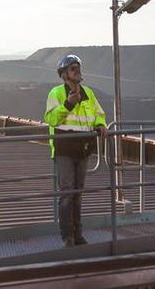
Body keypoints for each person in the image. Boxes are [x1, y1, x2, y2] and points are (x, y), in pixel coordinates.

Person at [43, 53, 107, 247]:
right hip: (64, 150)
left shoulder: (88, 93)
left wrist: (101, 124)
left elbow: (98, 113)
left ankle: (78, 235)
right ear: (64, 74)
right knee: (67, 194)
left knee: (77, 194)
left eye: (78, 67)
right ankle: (68, 237)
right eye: (72, 68)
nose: (77, 71)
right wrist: (69, 103)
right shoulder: (56, 93)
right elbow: (51, 119)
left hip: (83, 148)